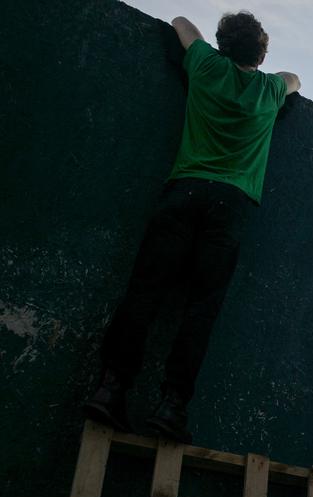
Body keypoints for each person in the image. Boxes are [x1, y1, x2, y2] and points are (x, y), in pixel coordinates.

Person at [83, 13, 300, 443]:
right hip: (232, 206)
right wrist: (270, 70)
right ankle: (172, 406)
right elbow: (294, 78)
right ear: (260, 51)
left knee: (144, 293)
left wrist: (209, 45)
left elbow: (181, 21)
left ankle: (110, 389)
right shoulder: (270, 90)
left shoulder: (203, 65)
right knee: (201, 309)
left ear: (222, 44)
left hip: (183, 194)